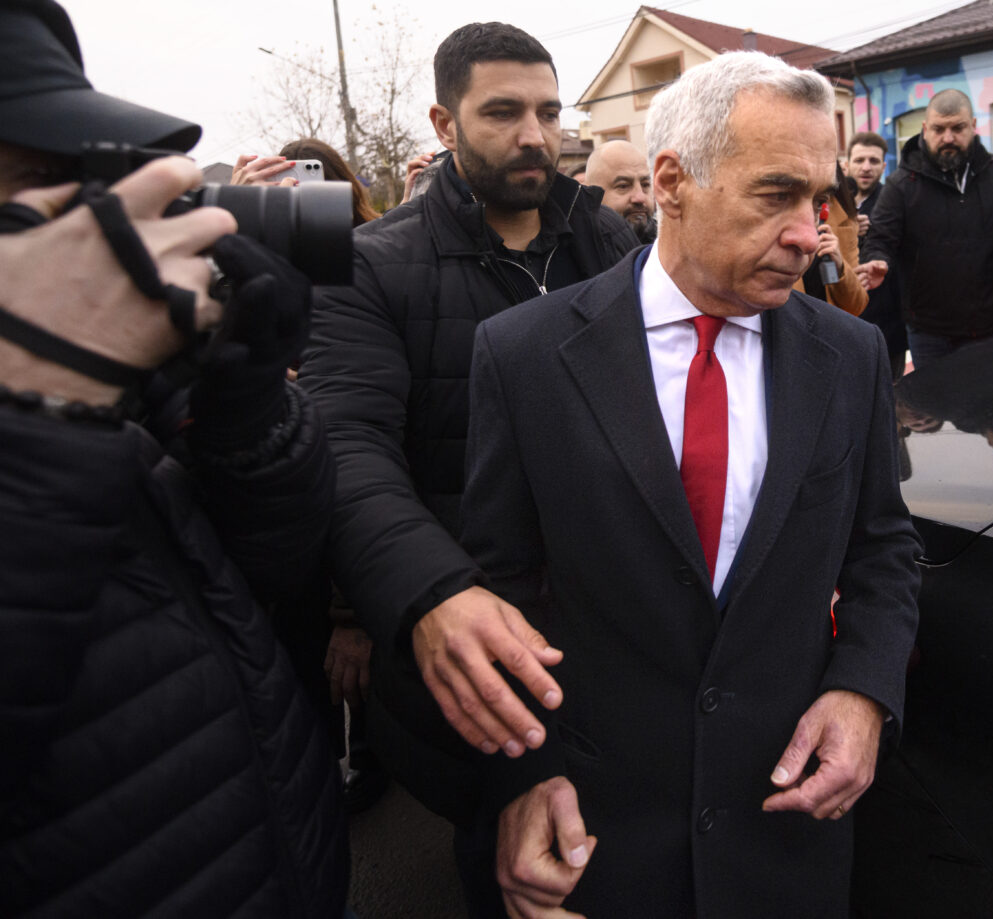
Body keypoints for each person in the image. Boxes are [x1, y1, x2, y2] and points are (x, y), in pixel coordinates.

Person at [460, 50, 922, 917]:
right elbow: (502, 589)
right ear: (672, 180)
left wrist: (864, 692)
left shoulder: (849, 353)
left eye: (818, 199)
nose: (807, 232)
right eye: (775, 194)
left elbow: (883, 548)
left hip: (787, 832)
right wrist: (521, 778)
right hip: (599, 837)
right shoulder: (524, 355)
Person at [0, 1, 347, 915]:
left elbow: (274, 564)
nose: (100, 209)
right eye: (47, 175)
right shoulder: (60, 363)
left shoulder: (114, 359)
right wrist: (40, 409)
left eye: (91, 172)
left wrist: (250, 405)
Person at [296, 20, 637, 914]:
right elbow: (347, 449)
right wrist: (430, 593)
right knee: (519, 870)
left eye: (550, 112)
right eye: (503, 112)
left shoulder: (605, 241)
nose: (536, 134)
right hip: (480, 660)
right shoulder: (369, 267)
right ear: (445, 125)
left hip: (622, 635)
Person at [857, 89, 993, 369]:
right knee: (933, 410)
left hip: (985, 327)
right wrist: (876, 260)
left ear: (974, 127)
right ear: (925, 130)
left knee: (981, 408)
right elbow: (881, 237)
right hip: (927, 330)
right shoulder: (901, 185)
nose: (948, 138)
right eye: (939, 129)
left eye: (958, 128)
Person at [845, 131, 906, 377]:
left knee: (890, 396)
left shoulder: (893, 201)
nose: (866, 167)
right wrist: (846, 232)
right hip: (844, 318)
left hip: (888, 321)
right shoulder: (833, 202)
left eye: (873, 161)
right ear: (847, 164)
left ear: (884, 165)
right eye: (859, 161)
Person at [793, 163, 869, 316]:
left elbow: (857, 304)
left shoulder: (844, 219)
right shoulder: (772, 215)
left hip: (828, 331)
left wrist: (840, 266)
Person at [585, 138, 656, 243]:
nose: (640, 198)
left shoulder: (674, 250)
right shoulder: (577, 255)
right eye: (623, 186)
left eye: (645, 185)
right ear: (590, 194)